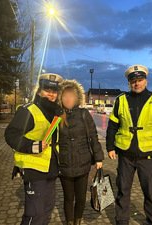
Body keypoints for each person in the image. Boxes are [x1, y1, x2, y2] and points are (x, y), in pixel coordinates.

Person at [106, 65, 152, 225]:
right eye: (133, 81)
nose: (137, 83)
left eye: (140, 80)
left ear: (146, 81)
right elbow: (112, 126)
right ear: (129, 83)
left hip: (148, 157)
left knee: (151, 194)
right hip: (125, 156)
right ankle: (122, 221)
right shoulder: (120, 100)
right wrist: (110, 147)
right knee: (123, 192)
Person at [5, 73, 64, 225]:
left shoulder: (55, 112)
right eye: (47, 90)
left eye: (54, 91)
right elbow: (11, 135)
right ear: (39, 91)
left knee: (46, 212)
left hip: (50, 169)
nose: (51, 94)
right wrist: (32, 146)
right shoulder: (28, 110)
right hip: (34, 171)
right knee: (34, 216)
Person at [57, 79, 104, 225]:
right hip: (64, 164)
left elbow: (93, 137)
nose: (68, 99)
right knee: (68, 198)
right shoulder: (57, 116)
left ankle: (77, 221)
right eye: (65, 96)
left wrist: (99, 158)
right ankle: (70, 222)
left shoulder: (84, 114)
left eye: (71, 95)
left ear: (77, 97)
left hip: (83, 163)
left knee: (81, 198)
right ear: (61, 98)